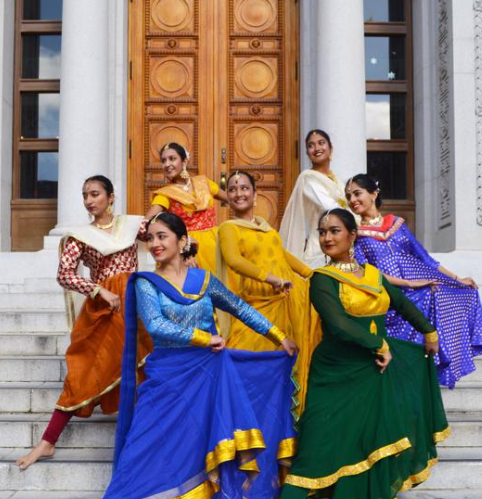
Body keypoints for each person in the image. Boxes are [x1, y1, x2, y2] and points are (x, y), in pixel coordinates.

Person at [72, 212, 299, 499]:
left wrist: (279, 336)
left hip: (207, 378)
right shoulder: (147, 283)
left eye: (162, 236)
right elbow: (157, 326)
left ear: (182, 241)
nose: (155, 244)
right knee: (142, 451)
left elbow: (239, 307)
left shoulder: (205, 282)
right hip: (166, 380)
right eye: (151, 238)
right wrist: (202, 337)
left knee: (194, 453)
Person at [256, 208, 449, 499]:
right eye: (322, 232)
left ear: (352, 235)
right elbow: (338, 324)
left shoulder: (374, 275)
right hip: (335, 373)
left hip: (373, 373)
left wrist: (429, 330)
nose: (327, 238)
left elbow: (401, 304)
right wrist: (379, 343)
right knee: (316, 447)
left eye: (334, 231)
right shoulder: (322, 279)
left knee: (359, 449)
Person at [16, 175, 152, 470]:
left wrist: (187, 253)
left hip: (136, 305)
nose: (89, 201)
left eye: (95, 194)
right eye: (85, 196)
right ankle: (47, 441)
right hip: (103, 309)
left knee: (144, 369)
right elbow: (64, 273)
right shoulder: (81, 236)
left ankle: (146, 440)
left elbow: (162, 239)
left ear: (111, 197)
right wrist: (98, 289)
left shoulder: (132, 225)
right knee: (81, 372)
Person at [346, 173, 482, 388]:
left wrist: (457, 279)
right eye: (349, 196)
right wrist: (408, 284)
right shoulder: (356, 236)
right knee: (396, 364)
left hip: (416, 300)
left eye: (357, 193)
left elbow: (425, 259)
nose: (352, 200)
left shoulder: (397, 224)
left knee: (423, 346)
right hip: (387, 302)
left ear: (374, 193)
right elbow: (368, 273)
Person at [217, 170, 315, 419]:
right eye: (232, 189)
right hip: (257, 308)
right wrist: (269, 278)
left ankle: (285, 438)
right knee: (251, 371)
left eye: (244, 188)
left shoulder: (265, 226)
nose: (239, 193)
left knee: (286, 369)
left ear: (255, 194)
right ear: (227, 197)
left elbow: (282, 255)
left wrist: (311, 274)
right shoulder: (228, 228)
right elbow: (234, 260)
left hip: (286, 302)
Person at [147, 142, 228, 273]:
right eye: (163, 160)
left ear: (184, 161)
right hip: (189, 250)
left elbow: (233, 200)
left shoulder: (204, 182)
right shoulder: (165, 194)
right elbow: (147, 223)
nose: (167, 164)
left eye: (172, 159)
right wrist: (178, 243)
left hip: (216, 245)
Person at [280, 129, 349, 268]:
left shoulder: (336, 180)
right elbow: (331, 208)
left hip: (343, 243)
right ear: (307, 153)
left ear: (331, 148)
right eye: (311, 145)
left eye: (321, 143)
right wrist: (360, 223)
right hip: (320, 247)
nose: (317, 148)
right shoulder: (308, 178)